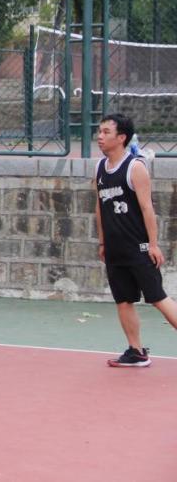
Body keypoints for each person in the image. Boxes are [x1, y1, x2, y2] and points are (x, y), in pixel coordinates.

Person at [94, 113, 177, 367]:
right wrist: (102, 242)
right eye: (99, 131)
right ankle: (136, 351)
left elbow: (147, 208)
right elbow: (99, 207)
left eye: (106, 132)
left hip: (138, 247)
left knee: (158, 298)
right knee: (123, 300)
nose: (100, 136)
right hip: (115, 249)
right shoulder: (99, 167)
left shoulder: (135, 168)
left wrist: (153, 244)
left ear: (121, 138)